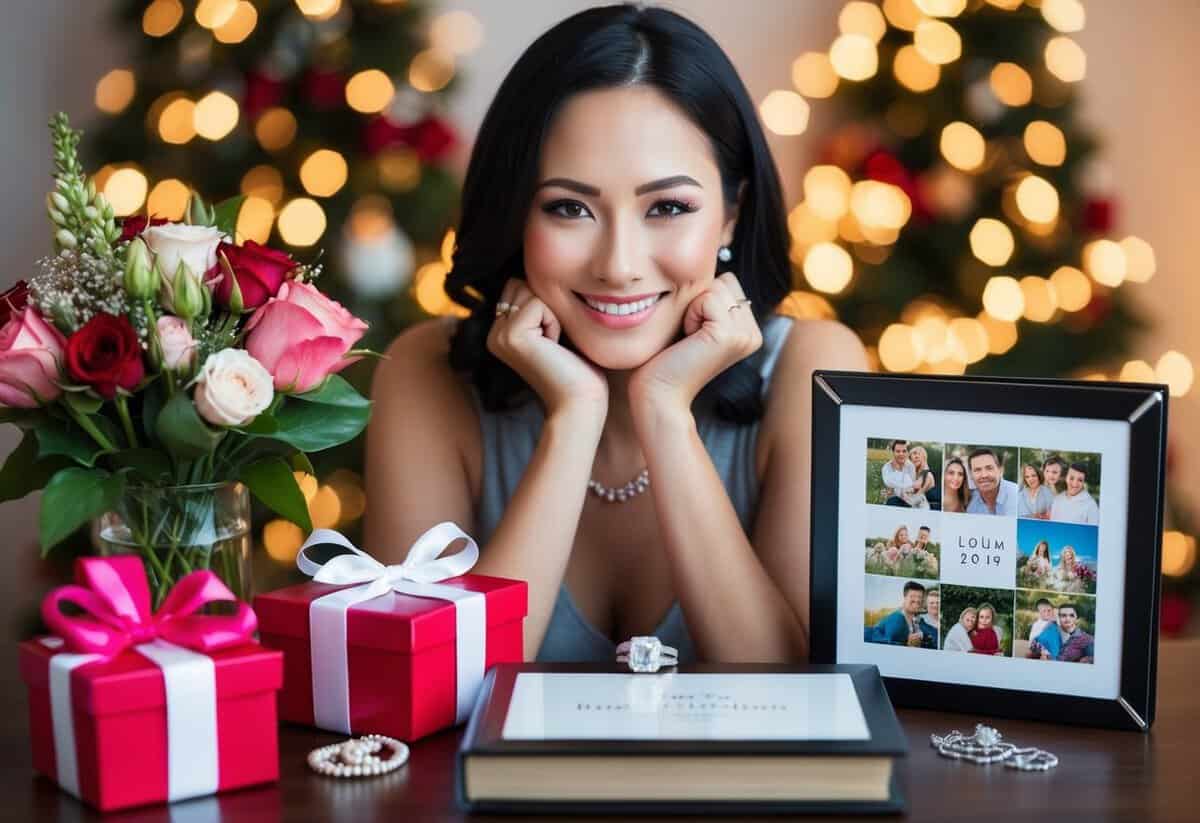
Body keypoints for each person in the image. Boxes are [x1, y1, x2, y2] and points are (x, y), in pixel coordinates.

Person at [364, 5, 868, 664]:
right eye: (569, 208)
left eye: (668, 207)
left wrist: (665, 413)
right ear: (517, 214)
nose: (619, 265)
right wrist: (573, 418)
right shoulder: (425, 372)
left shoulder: (815, 368)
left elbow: (793, 689)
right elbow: (422, 687)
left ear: (729, 217)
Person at [1029, 604, 1094, 663]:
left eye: (1071, 615)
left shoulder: (1086, 639)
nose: (1068, 619)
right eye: (1063, 615)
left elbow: (1093, 659)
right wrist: (1041, 651)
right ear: (1058, 618)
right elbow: (1034, 645)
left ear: (1076, 617)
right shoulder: (1052, 629)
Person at [869, 581, 927, 647]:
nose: (917, 600)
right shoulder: (897, 619)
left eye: (920, 597)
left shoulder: (915, 620)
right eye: (912, 596)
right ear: (905, 597)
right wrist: (909, 645)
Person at [965, 449, 1018, 516]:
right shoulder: (971, 505)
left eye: (989, 468)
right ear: (971, 475)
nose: (984, 475)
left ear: (1001, 470)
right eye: (977, 470)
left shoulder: (1016, 496)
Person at [881, 440, 916, 507]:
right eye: (898, 451)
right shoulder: (886, 468)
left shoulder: (911, 466)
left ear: (907, 452)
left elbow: (912, 486)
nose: (901, 454)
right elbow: (889, 485)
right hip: (893, 500)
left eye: (904, 451)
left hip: (908, 499)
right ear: (893, 452)